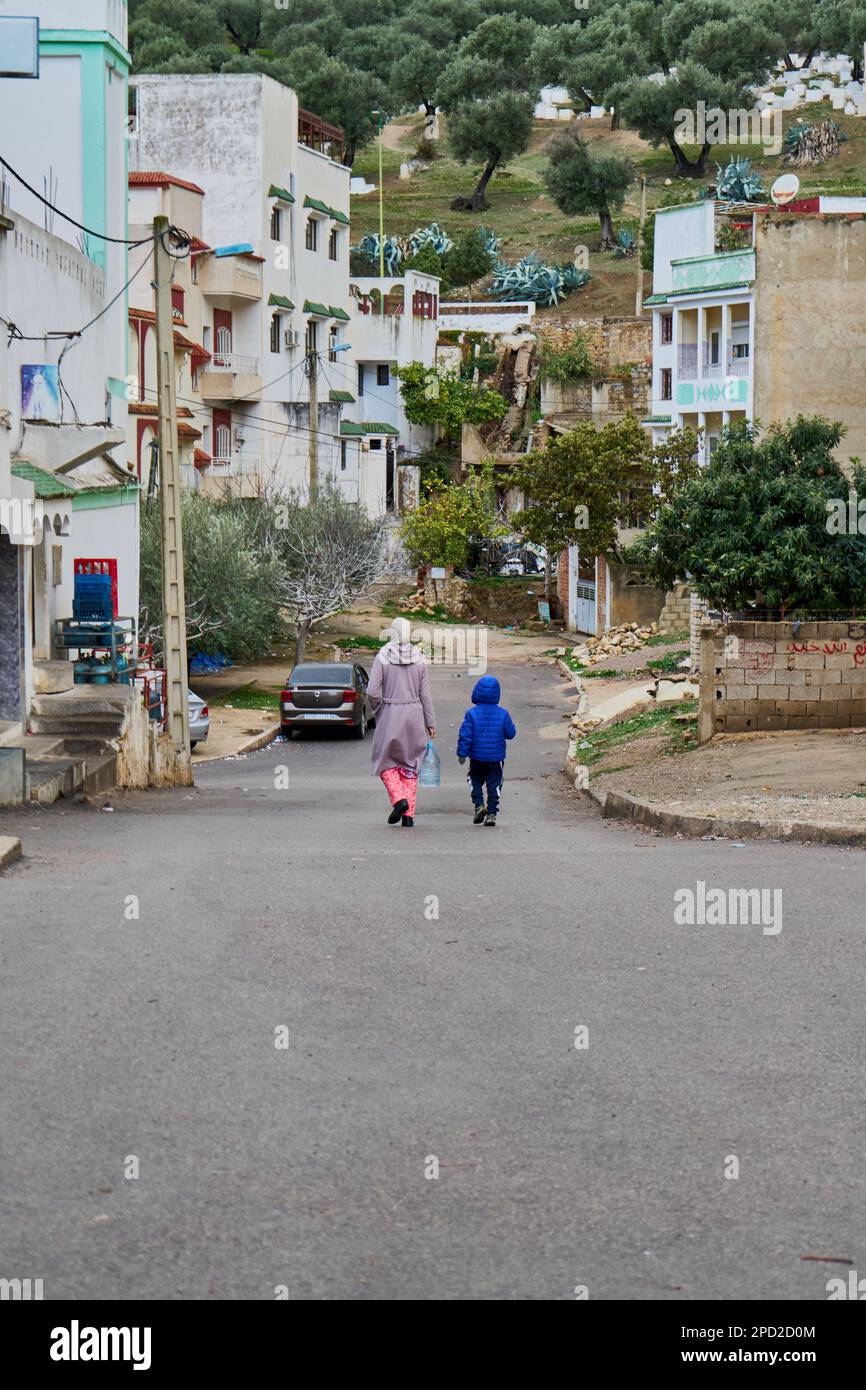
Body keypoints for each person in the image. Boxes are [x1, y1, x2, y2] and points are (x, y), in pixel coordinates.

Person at [367, 618, 436, 828]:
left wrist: (379, 707)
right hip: (414, 715)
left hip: (390, 713)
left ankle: (399, 800)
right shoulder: (419, 658)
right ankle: (409, 815)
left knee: (385, 761)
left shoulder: (382, 658)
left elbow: (372, 692)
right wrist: (430, 722)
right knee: (411, 764)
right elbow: (425, 694)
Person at [456, 675, 516, 827]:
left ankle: (478, 805)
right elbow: (510, 734)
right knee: (494, 784)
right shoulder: (503, 714)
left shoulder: (472, 714)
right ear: (497, 694)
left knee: (473, 779)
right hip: (496, 758)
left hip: (476, 757)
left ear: (476, 692)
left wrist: (462, 753)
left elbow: (465, 735)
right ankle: (491, 813)